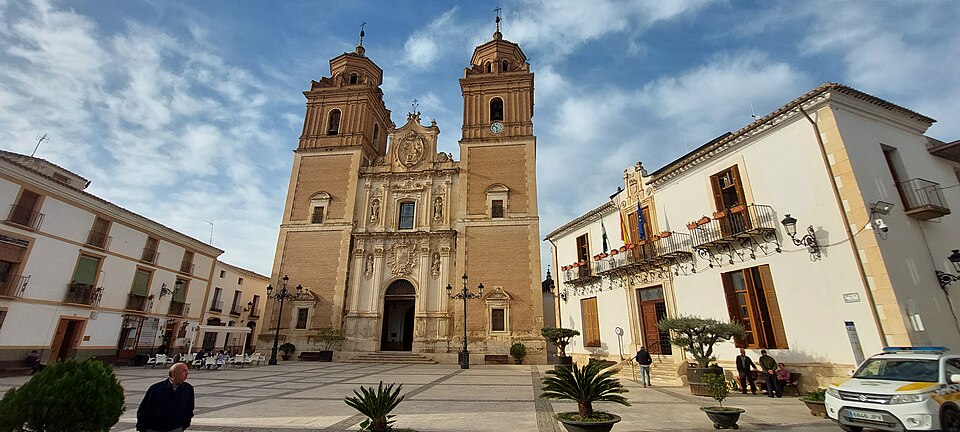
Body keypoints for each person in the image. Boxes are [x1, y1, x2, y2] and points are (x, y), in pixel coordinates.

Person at [137, 363, 195, 432]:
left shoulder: (188, 388)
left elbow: (189, 408)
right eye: (184, 371)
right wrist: (142, 427)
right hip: (154, 428)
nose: (187, 374)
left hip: (176, 428)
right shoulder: (156, 388)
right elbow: (144, 408)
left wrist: (184, 425)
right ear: (174, 374)